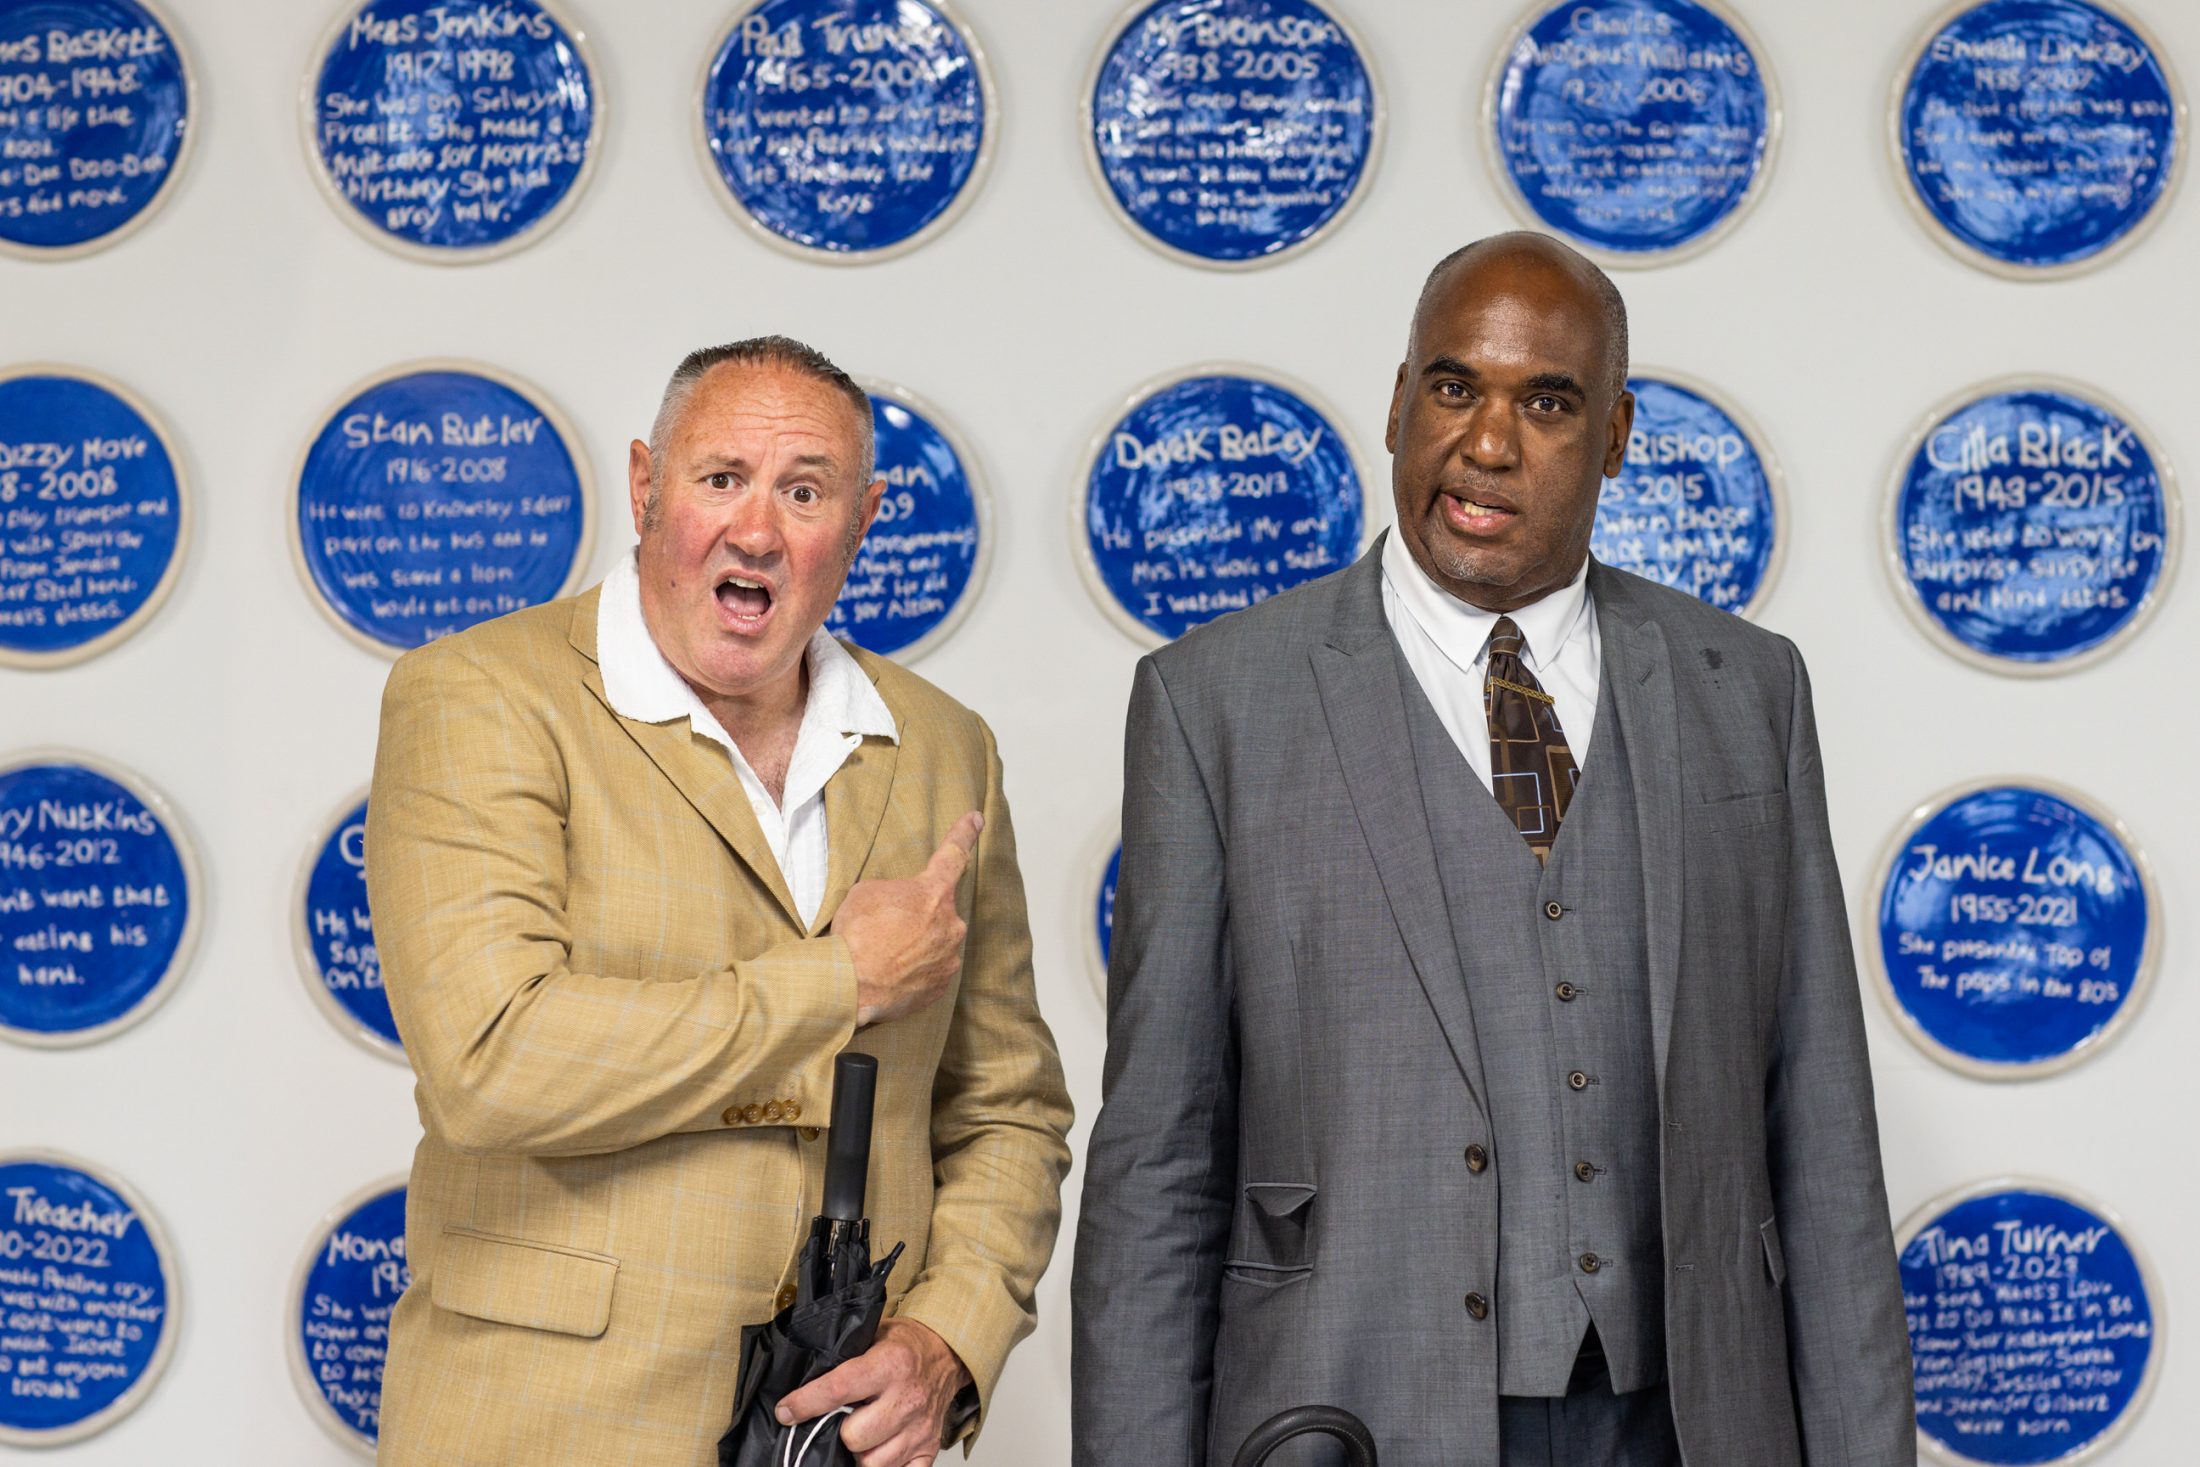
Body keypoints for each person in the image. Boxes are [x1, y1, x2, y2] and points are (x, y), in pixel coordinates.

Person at [1072, 234, 1914, 1466]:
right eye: (1455, 387)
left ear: (1616, 437)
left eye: (1548, 402)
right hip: (1350, 1408)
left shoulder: (1748, 690)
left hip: (1692, 1419)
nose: (1486, 442)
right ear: (1398, 402)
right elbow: (1161, 1159)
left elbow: (1824, 1133)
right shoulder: (1214, 704)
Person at [367, 336, 1073, 1466]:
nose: (755, 529)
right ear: (645, 485)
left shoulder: (946, 748)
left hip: (830, 1438)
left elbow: (1006, 1108)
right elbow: (490, 1061)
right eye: (719, 479)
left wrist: (950, 1335)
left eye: (804, 490)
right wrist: (839, 980)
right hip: (540, 1425)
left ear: (863, 519)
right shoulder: (480, 698)